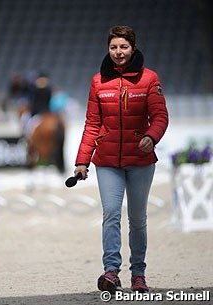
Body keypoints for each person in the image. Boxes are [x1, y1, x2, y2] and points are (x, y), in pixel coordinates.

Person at [74, 25, 169, 293]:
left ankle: (138, 274)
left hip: (140, 161)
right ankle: (111, 271)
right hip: (106, 162)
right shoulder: (97, 82)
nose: (118, 52)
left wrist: (151, 136)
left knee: (137, 219)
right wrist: (82, 161)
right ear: (108, 49)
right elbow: (92, 124)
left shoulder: (150, 79)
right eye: (114, 47)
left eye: (123, 47)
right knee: (111, 214)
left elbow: (161, 116)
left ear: (133, 48)